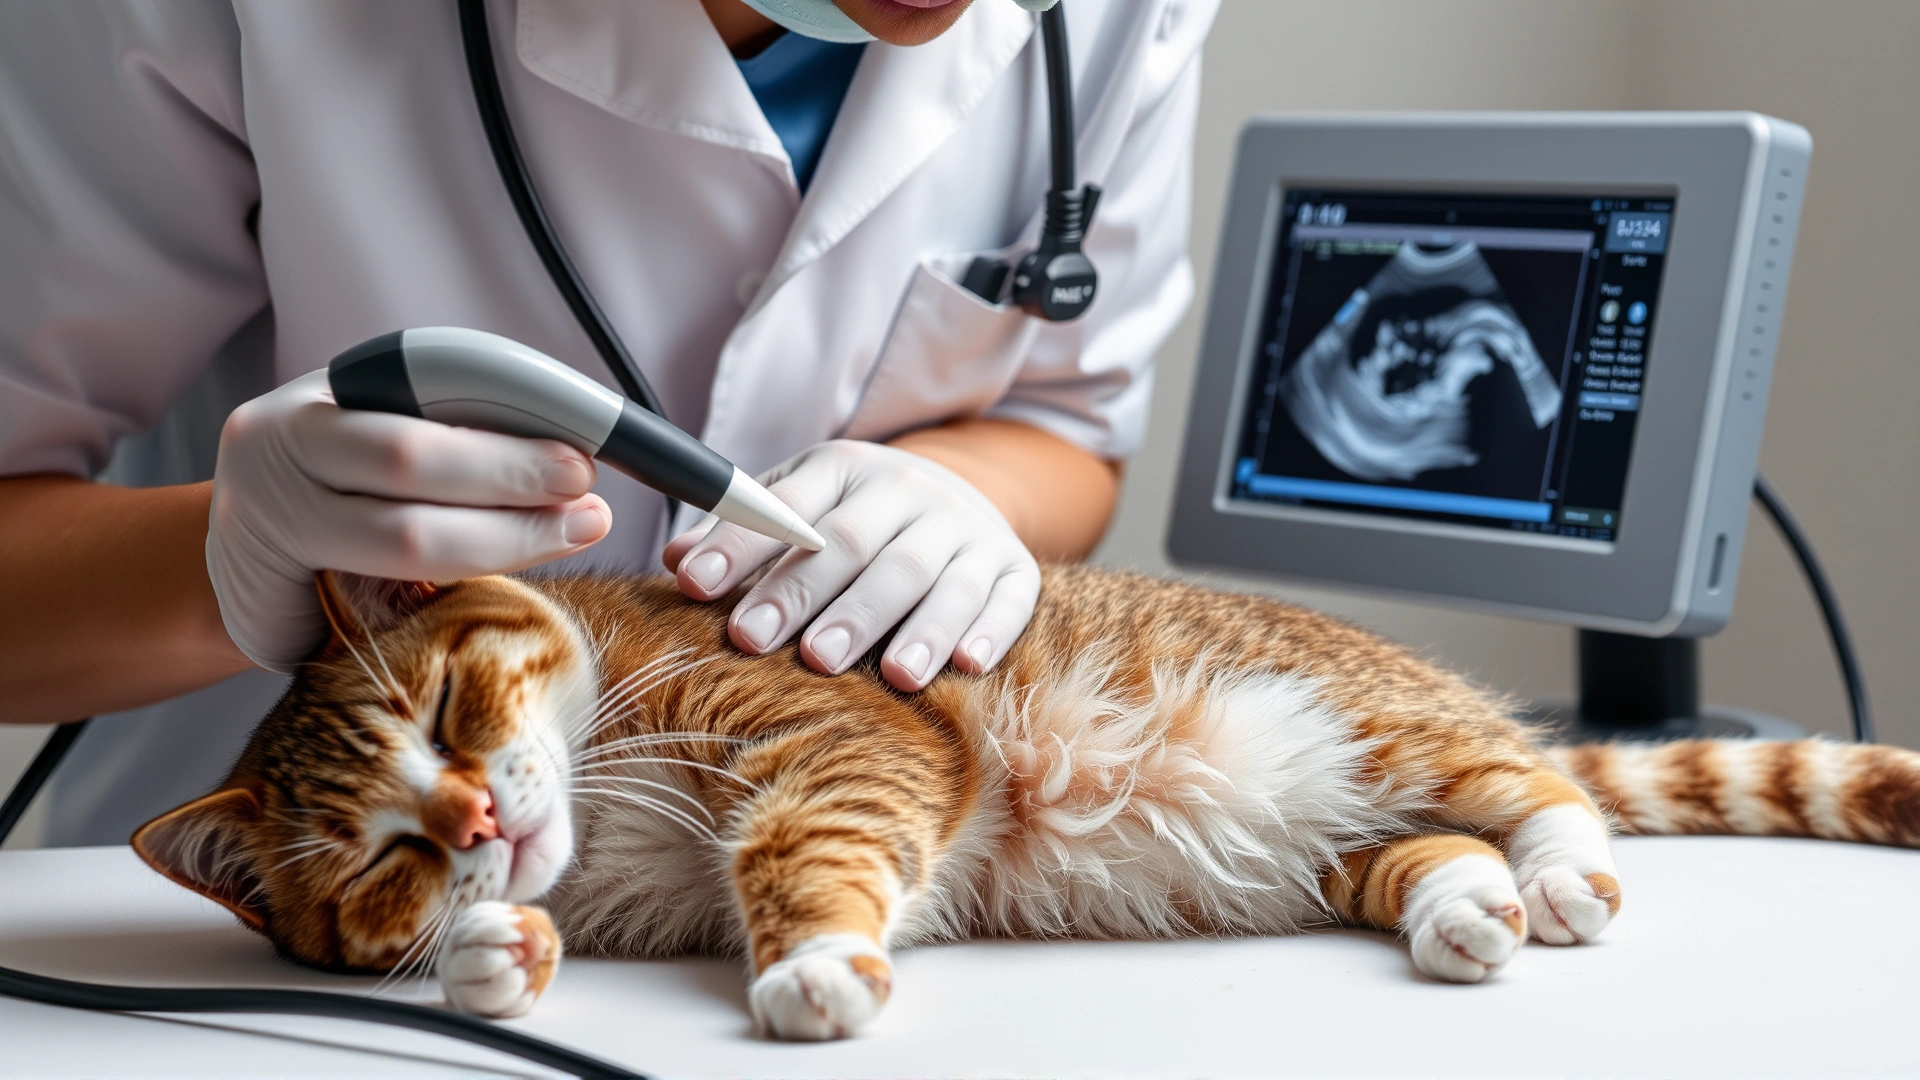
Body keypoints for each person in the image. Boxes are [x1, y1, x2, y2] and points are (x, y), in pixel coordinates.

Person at [0, 0, 1213, 845]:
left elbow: (1070, 421)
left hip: (807, 886)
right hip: (292, 928)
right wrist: (226, 567)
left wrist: (954, 490)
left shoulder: (1104, 22)